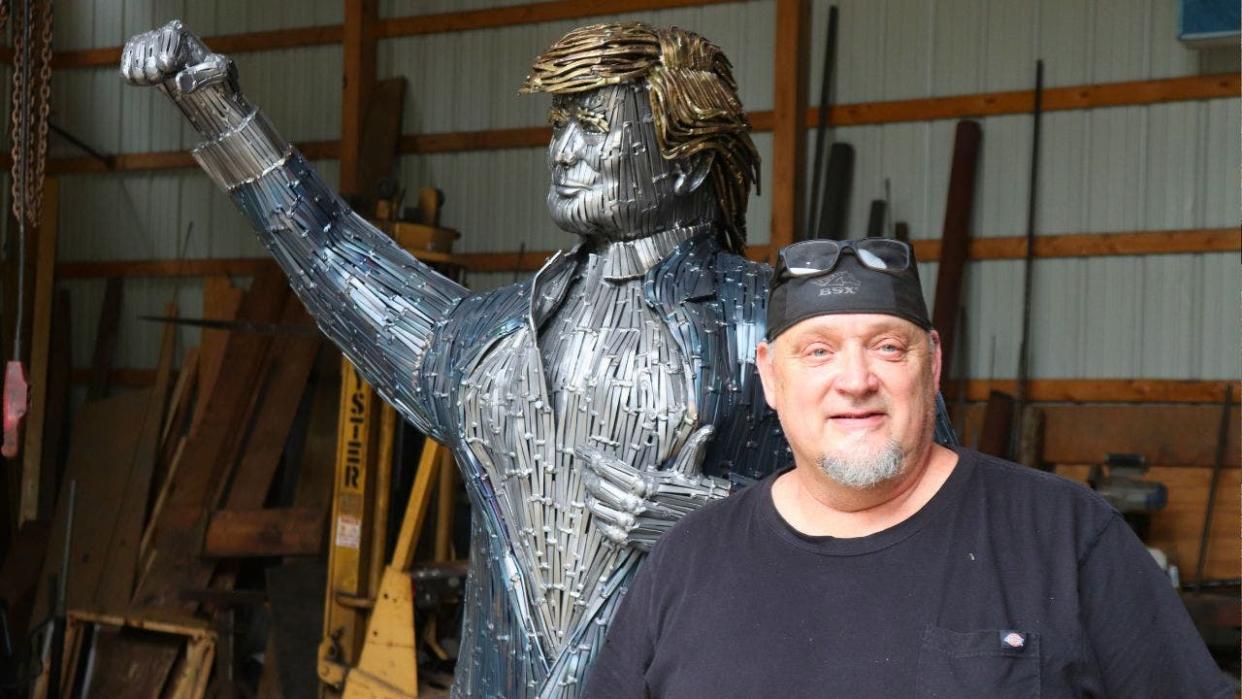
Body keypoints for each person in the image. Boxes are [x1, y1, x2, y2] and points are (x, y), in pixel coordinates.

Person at [583, 237, 1232, 698]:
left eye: (887, 347)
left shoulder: (1067, 537)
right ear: (770, 377)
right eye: (818, 351)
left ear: (933, 362)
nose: (855, 380)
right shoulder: (687, 561)